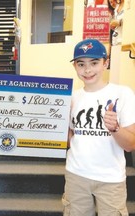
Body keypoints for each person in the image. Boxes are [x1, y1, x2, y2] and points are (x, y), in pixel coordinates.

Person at [62, 38, 135, 216]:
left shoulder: (122, 93)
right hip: (76, 174)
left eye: (94, 63)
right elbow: (71, 141)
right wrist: (58, 125)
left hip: (110, 178)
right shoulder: (71, 98)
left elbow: (130, 144)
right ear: (75, 67)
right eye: (81, 64)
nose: (87, 70)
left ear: (105, 63)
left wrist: (115, 129)